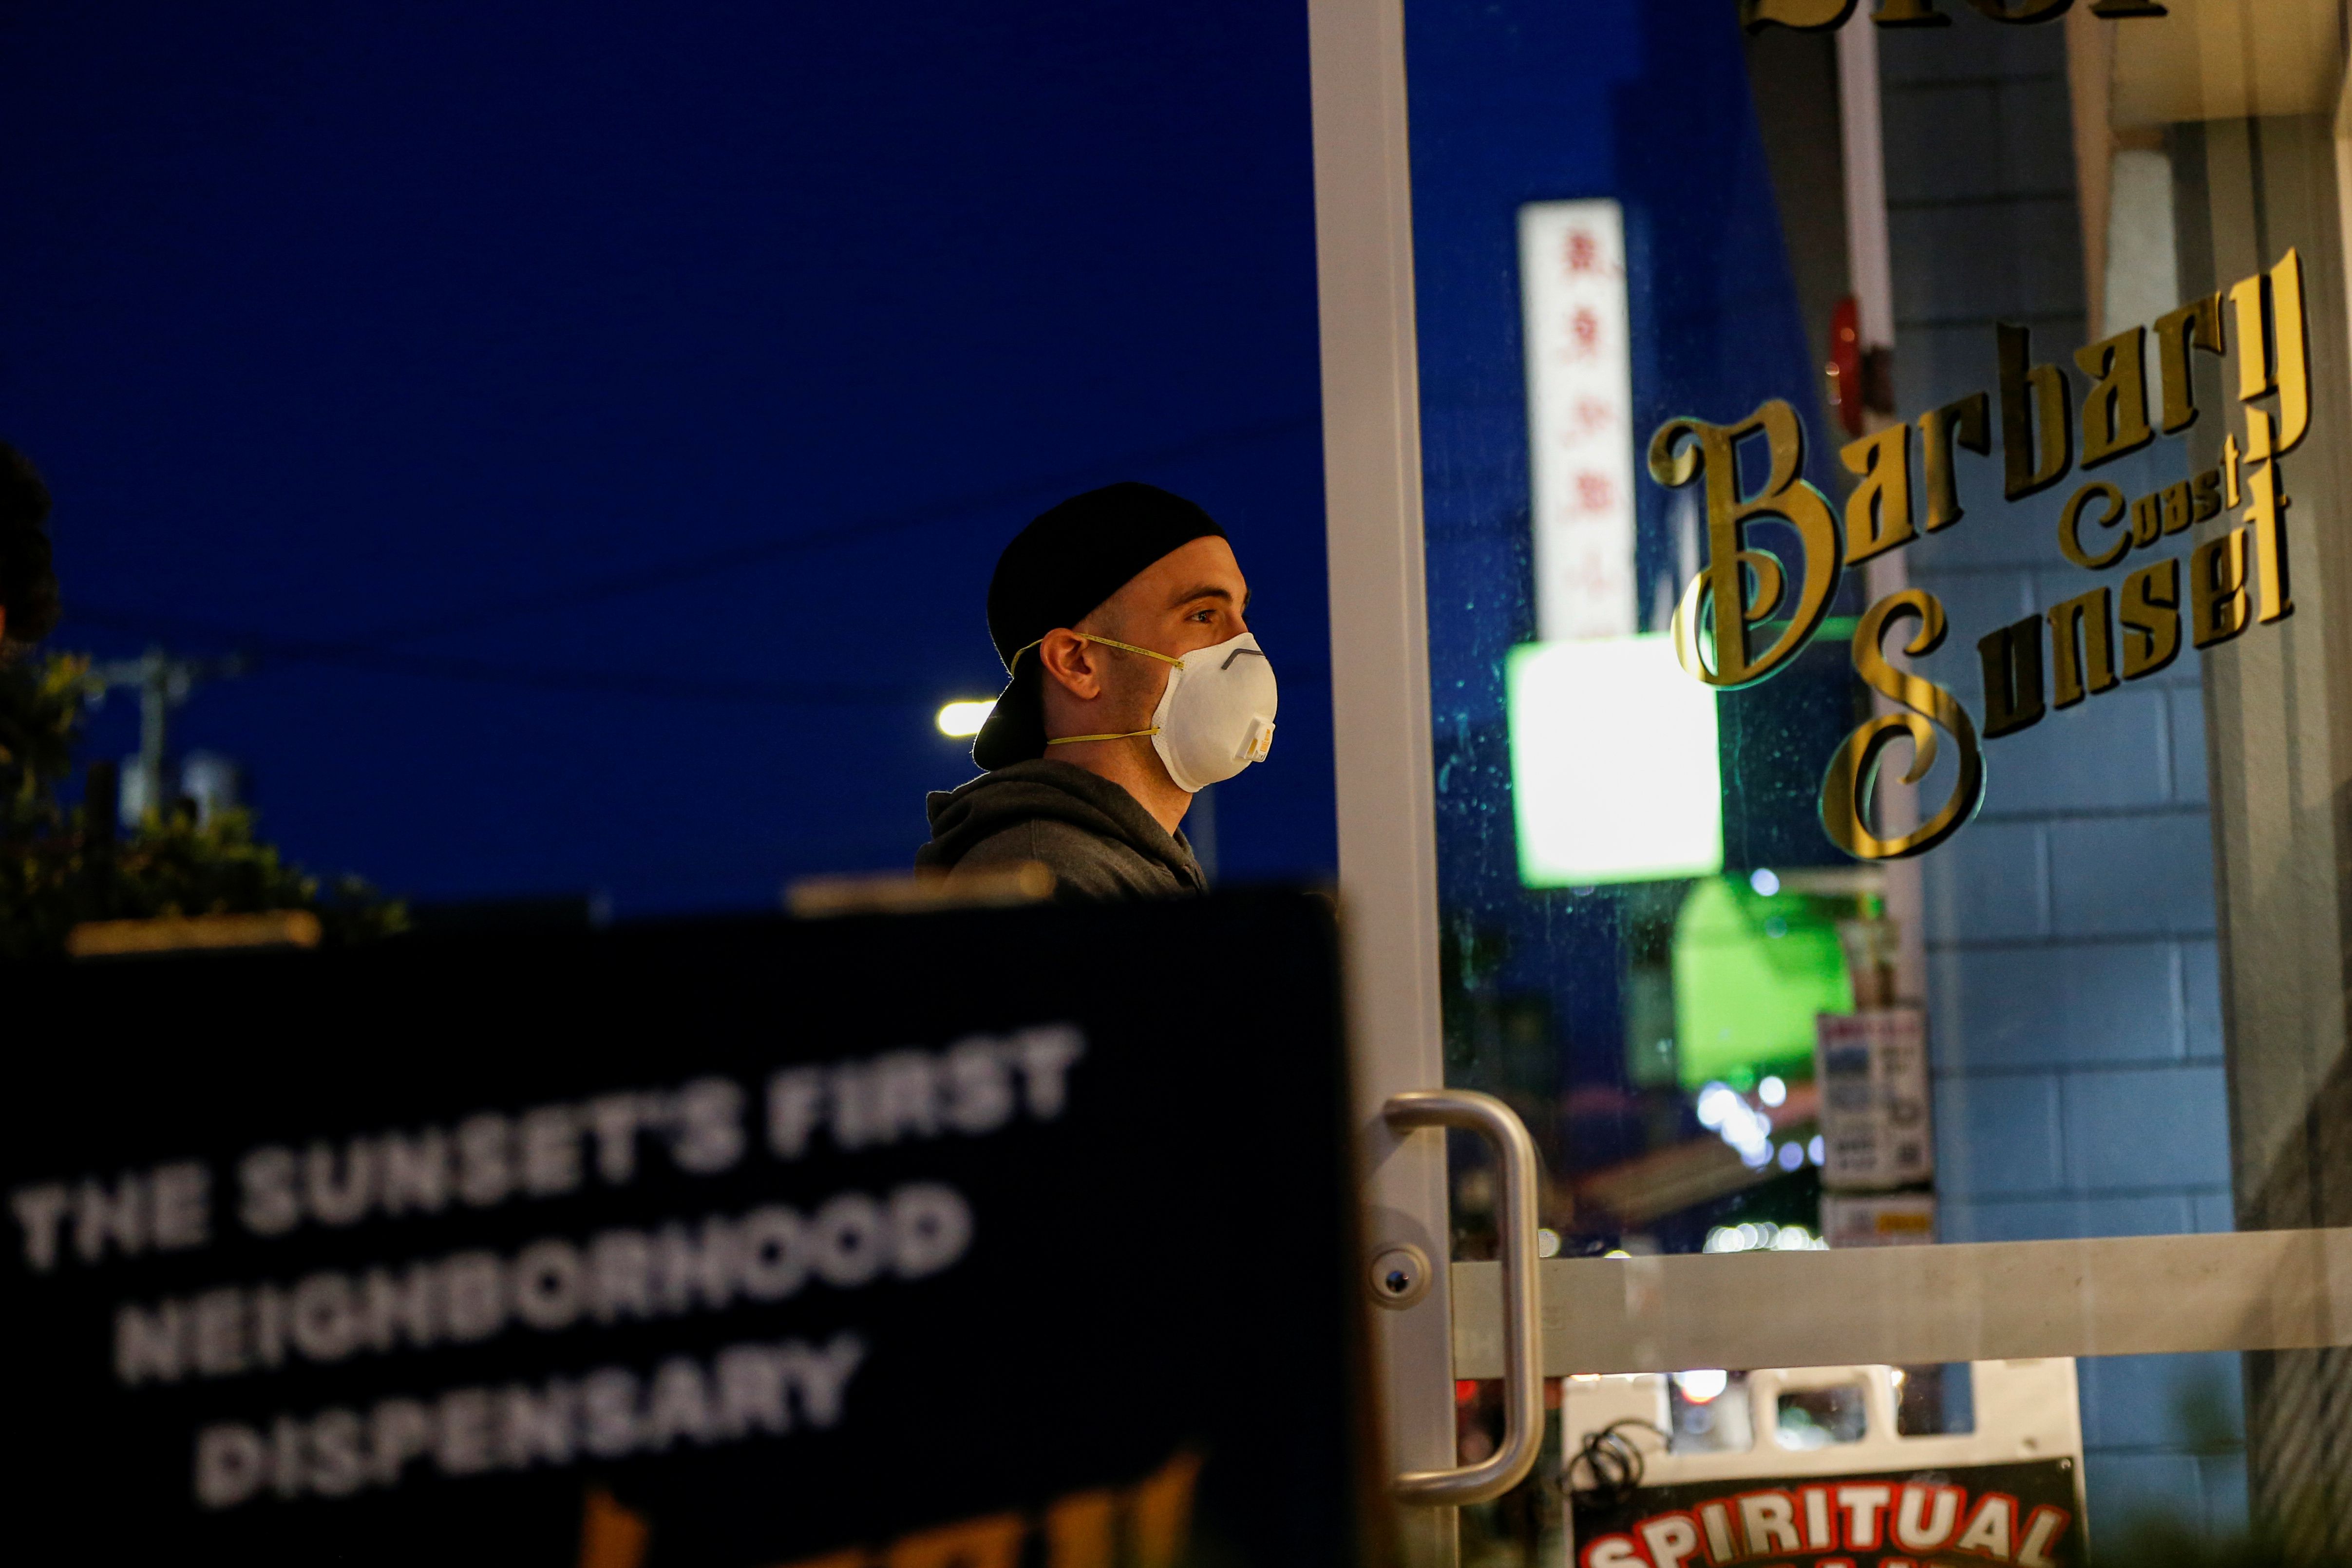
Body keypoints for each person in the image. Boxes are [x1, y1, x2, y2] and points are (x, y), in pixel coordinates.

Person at [916, 482, 1277, 900]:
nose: (1245, 643)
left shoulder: (1129, 866)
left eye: (1241, 613)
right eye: (1202, 615)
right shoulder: (1047, 881)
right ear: (1078, 663)